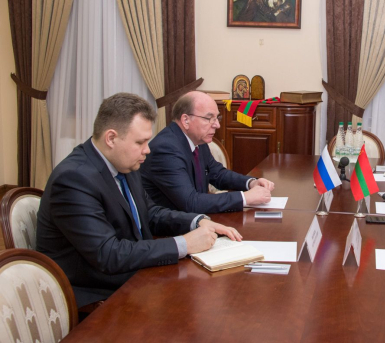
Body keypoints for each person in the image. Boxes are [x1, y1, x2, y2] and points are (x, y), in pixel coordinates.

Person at [37, 93, 242, 308]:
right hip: (97, 295)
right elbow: (108, 254)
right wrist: (184, 244)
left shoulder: (125, 163)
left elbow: (150, 213)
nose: (148, 149)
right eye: (140, 142)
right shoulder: (73, 179)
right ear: (111, 138)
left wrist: (197, 221)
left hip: (134, 275)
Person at [140, 91, 274, 214]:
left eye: (217, 118)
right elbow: (191, 202)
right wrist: (244, 197)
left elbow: (217, 174)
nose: (217, 125)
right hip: (170, 228)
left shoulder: (198, 140)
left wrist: (250, 183)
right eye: (209, 118)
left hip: (196, 220)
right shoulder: (166, 149)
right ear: (186, 120)